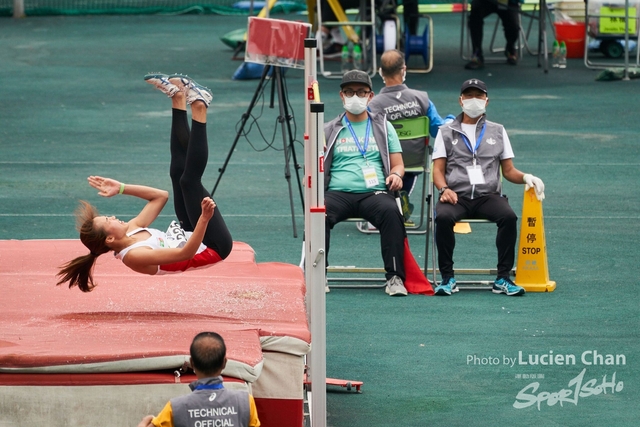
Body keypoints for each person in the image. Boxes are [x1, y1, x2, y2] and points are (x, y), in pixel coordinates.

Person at [56, 74, 233, 292]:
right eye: (108, 219)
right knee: (189, 181)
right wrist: (204, 219)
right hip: (213, 246)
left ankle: (177, 98)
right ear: (110, 238)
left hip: (190, 231)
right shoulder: (134, 256)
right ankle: (199, 105)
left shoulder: (130, 229)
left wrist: (121, 188)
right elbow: (184, 254)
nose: (112, 216)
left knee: (177, 173)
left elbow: (160, 196)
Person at [431, 78, 545, 296]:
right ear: (460, 100)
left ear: (487, 101)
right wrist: (444, 189)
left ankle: (503, 278)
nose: (474, 100)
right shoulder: (446, 132)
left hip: (488, 195)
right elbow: (438, 170)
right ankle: (447, 278)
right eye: (469, 96)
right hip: (456, 195)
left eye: (479, 96)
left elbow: (509, 170)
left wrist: (527, 177)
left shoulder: (498, 131)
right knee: (443, 217)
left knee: (508, 217)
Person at [324, 69, 408, 296]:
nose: (355, 97)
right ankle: (318, 275)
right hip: (337, 192)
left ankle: (395, 278)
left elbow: (398, 164)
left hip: (375, 193)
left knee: (392, 212)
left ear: (370, 96)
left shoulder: (383, 126)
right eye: (349, 92)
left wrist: (397, 175)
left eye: (361, 92)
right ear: (341, 96)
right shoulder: (328, 129)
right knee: (318, 213)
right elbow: (316, 165)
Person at [368, 49, 455, 225]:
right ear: (404, 69)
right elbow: (439, 131)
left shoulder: (373, 105)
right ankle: (400, 199)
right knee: (409, 166)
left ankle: (386, 202)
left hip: (384, 165)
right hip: (415, 162)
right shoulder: (422, 99)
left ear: (381, 72)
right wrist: (451, 119)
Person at [137, 332, 260, 427]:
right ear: (224, 363)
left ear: (192, 363)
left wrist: (144, 423)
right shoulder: (245, 403)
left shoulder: (175, 408)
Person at [465, 0, 521, 69]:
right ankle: (477, 55)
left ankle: (510, 49)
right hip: (485, 2)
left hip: (508, 2)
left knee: (513, 26)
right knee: (475, 16)